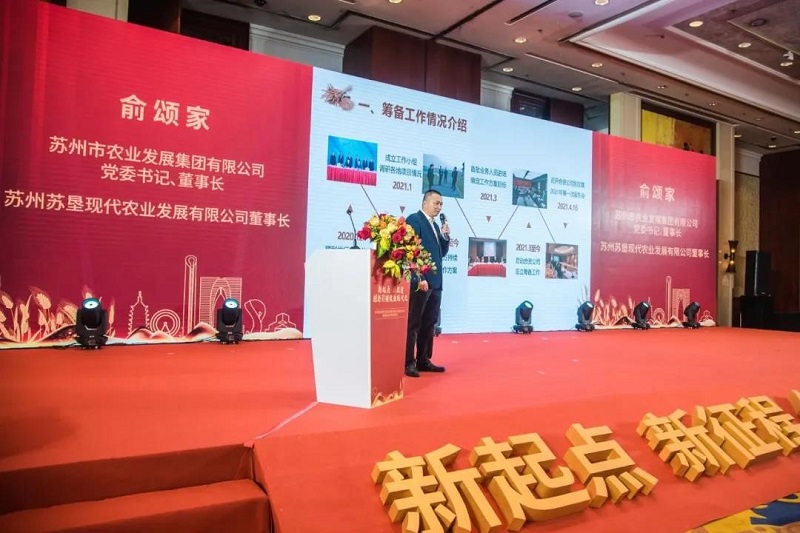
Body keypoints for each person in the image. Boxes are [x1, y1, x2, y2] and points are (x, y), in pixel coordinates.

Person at [405, 190, 450, 377]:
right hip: (421, 281)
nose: (439, 207)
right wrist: (418, 277)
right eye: (436, 203)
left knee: (429, 323)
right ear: (425, 203)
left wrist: (445, 238)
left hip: (436, 282)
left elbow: (441, 253)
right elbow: (410, 250)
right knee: (414, 323)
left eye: (441, 204)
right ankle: (408, 362)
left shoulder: (435, 225)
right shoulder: (414, 220)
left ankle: (423, 360)